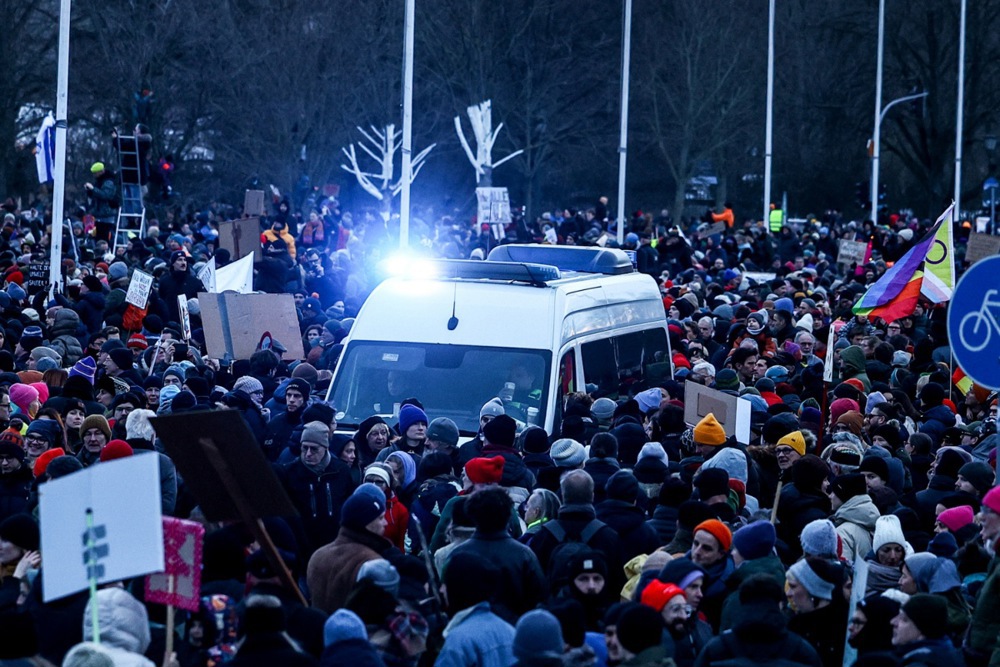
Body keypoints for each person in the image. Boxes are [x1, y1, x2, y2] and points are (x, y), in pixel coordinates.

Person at [451, 486, 546, 623]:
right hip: (515, 630)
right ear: (508, 515)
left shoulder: (458, 555)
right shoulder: (524, 554)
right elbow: (539, 598)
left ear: (472, 515)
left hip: (469, 630)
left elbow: (450, 599)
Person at [306, 483, 394, 614]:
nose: (385, 523)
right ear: (366, 523)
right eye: (380, 518)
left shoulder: (318, 555)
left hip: (319, 631)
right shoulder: (371, 562)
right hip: (354, 632)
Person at [281, 421, 354, 554]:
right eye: (304, 448)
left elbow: (349, 505)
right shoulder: (289, 473)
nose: (308, 453)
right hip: (302, 548)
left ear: (325, 448)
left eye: (314, 449)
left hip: (335, 547)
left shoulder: (341, 471)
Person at [435, 551, 516, 667]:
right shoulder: (509, 631)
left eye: (446, 583)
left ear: (458, 588)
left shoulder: (458, 641)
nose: (441, 590)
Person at [891, 594, 964, 666]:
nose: (893, 622)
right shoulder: (949, 654)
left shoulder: (920, 663)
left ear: (923, 629)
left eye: (904, 619)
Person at [84, 162, 119, 243]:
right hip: (98, 215)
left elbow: (106, 195)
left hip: (106, 215)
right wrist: (90, 191)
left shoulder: (108, 182)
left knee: (104, 238)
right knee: (94, 236)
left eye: (95, 173)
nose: (94, 175)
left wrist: (93, 189)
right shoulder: (100, 181)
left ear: (101, 171)